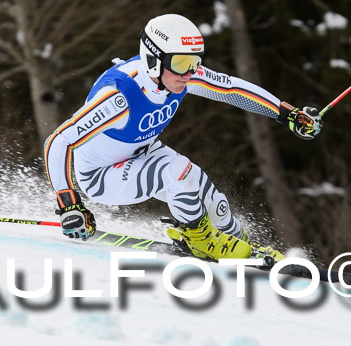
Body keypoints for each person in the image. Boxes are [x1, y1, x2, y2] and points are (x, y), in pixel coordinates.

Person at [44, 13, 322, 261]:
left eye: (195, 61)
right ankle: (200, 240)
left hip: (143, 152)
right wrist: (70, 204)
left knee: (212, 200)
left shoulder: (177, 75)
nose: (190, 72)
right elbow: (59, 141)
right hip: (102, 176)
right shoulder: (119, 97)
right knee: (178, 171)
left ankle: (241, 244)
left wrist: (287, 113)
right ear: (153, 59)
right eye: (182, 62)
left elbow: (231, 89)